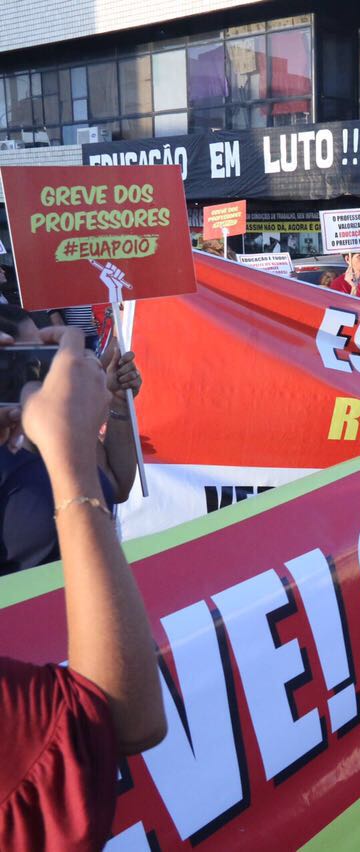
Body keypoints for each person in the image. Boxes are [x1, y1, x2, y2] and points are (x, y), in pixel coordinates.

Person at [0, 325, 167, 849]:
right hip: (58, 691)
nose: (36, 379)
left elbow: (115, 482)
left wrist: (112, 403)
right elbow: (129, 718)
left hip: (83, 645)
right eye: (26, 362)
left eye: (41, 360)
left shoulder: (36, 437)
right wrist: (69, 457)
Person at [0, 306, 142, 576]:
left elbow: (117, 486)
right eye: (30, 360)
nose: (45, 370)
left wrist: (118, 401)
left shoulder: (55, 421)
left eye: (48, 353)